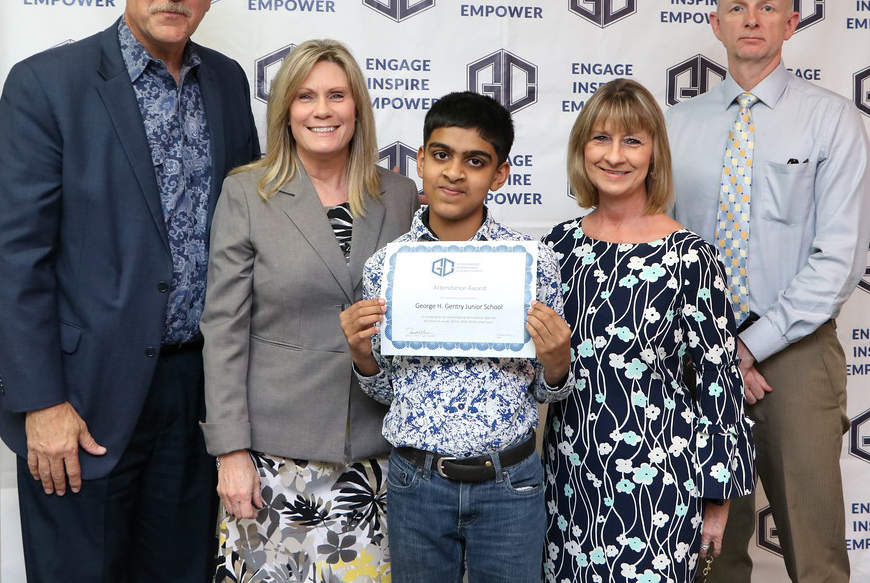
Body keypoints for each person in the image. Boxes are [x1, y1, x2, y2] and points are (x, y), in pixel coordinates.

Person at [0, 0, 260, 582]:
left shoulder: (229, 84)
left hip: (194, 394)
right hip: (81, 400)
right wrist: (40, 400)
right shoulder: (44, 86)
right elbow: (15, 256)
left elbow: (244, 239)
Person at [665, 0, 870, 583]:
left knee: (814, 552)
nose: (751, 19)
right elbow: (660, 247)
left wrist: (749, 348)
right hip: (694, 355)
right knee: (709, 552)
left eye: (766, 7)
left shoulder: (831, 119)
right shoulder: (675, 125)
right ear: (715, 23)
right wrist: (714, 348)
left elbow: (838, 259)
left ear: (791, 21)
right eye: (736, 8)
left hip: (795, 354)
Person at [201, 39, 419, 582]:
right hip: (271, 463)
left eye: (336, 95)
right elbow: (224, 329)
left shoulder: (400, 195)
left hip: (374, 462)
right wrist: (230, 452)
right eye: (305, 97)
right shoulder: (247, 193)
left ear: (357, 107)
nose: (322, 110)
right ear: (285, 112)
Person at [340, 91, 574, 583]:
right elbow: (387, 392)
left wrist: (557, 364)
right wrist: (362, 356)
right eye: (442, 155)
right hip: (417, 481)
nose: (454, 172)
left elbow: (543, 389)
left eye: (475, 161)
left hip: (510, 482)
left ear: (501, 174)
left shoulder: (532, 264)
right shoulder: (388, 266)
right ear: (420, 161)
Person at [542, 78, 755, 583]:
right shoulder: (556, 248)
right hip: (569, 477)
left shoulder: (691, 256)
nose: (615, 156)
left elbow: (719, 382)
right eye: (601, 139)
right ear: (581, 149)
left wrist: (717, 501)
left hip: (661, 482)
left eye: (632, 140)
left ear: (655, 153)